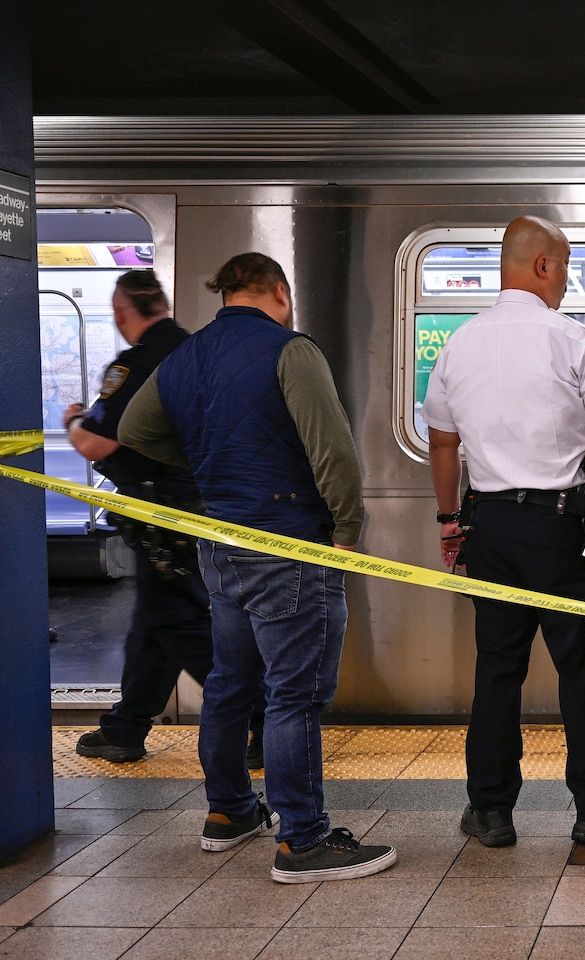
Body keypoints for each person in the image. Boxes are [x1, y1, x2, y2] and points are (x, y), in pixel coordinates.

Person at [119, 253, 396, 882]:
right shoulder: (290, 351)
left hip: (219, 540)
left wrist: (210, 464)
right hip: (289, 542)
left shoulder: (185, 356)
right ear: (278, 290)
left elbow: (136, 429)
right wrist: (347, 534)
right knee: (294, 693)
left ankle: (230, 812)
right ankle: (304, 840)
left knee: (229, 680)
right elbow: (333, 451)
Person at [423, 215, 585, 849]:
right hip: (563, 530)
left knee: (497, 668)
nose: (568, 279)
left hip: (489, 526)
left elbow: (444, 443)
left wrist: (449, 521)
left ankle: (490, 809)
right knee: (583, 668)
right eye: (567, 263)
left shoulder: (458, 344)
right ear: (544, 266)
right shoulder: (574, 341)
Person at [64, 271, 217, 764]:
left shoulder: (135, 365)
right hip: (202, 505)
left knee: (177, 620)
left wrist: (71, 421)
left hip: (158, 514)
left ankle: (257, 716)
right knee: (157, 619)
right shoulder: (200, 352)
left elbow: (95, 442)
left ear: (123, 313)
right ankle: (126, 727)